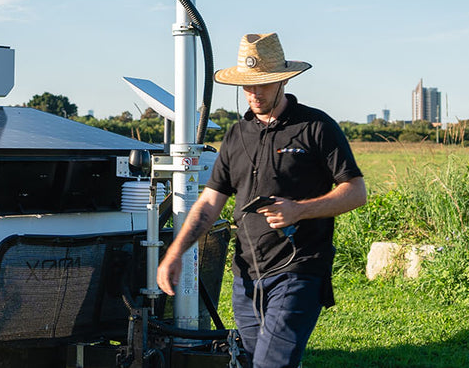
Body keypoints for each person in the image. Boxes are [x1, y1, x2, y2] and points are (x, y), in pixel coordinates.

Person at [157, 32, 366, 368]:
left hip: (299, 270)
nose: (253, 93)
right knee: (254, 362)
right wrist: (175, 251)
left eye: (262, 84)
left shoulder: (316, 126)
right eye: (247, 85)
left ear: (282, 80)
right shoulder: (237, 136)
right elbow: (210, 203)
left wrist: (299, 210)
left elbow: (356, 191)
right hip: (246, 278)